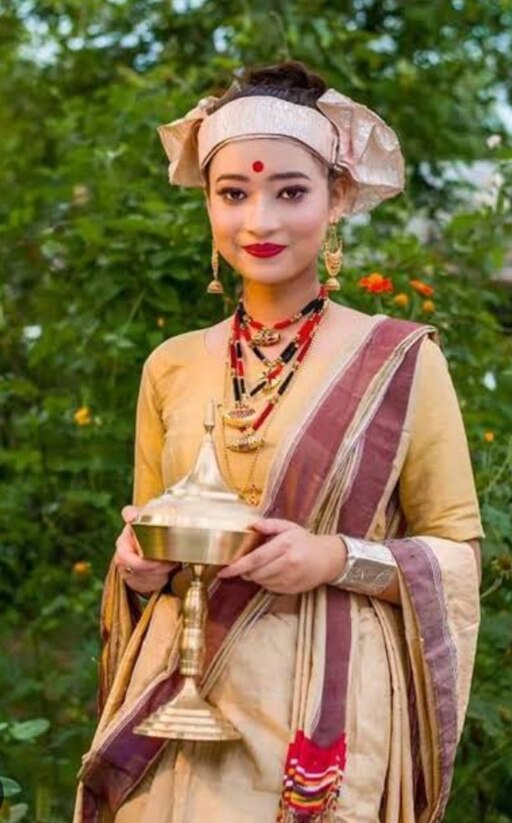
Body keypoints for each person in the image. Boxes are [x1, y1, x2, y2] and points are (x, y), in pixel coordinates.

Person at [73, 60, 483, 823]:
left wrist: (335, 557)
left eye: (290, 191)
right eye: (233, 194)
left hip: (319, 715)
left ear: (339, 198)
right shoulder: (171, 364)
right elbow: (144, 538)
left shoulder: (401, 358)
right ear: (208, 204)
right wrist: (133, 569)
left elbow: (458, 550)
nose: (259, 220)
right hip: (173, 709)